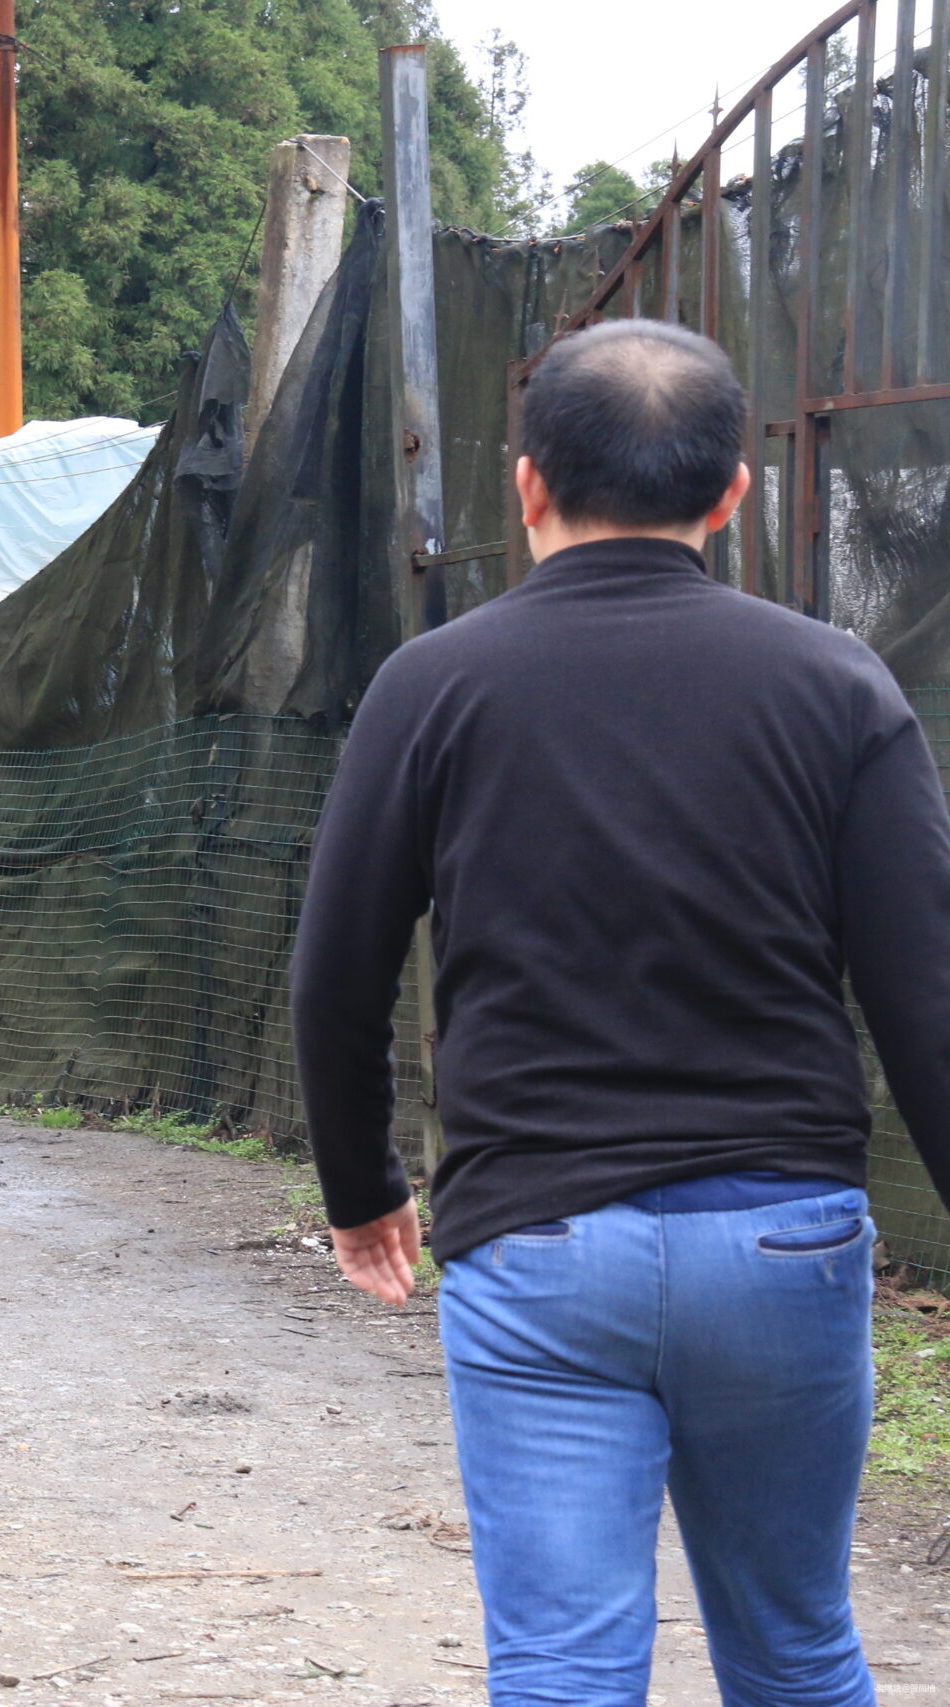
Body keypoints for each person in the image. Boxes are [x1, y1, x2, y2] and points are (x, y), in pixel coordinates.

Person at [292, 319, 950, 1707]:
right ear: (734, 495)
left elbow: (336, 969)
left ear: (526, 484)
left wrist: (365, 1185)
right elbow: (926, 995)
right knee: (798, 1648)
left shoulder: (431, 687)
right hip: (784, 1244)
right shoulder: (840, 686)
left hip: (540, 1246)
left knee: (564, 1666)